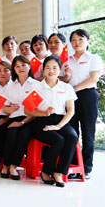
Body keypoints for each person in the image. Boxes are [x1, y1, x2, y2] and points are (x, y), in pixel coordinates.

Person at [25, 56, 78, 187]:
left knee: (72, 137)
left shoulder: (66, 87)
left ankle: (59, 172)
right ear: (43, 70)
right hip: (42, 121)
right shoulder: (37, 87)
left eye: (55, 68)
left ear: (60, 70)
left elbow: (71, 110)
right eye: (47, 68)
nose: (51, 71)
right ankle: (45, 172)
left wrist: (58, 126)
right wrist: (44, 113)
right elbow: (28, 110)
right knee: (58, 140)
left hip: (61, 120)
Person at [66, 28, 102, 180]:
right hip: (71, 98)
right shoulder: (67, 60)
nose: (77, 42)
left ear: (88, 41)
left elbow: (94, 78)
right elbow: (65, 79)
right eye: (74, 40)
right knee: (72, 132)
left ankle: (86, 168)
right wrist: (67, 79)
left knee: (88, 132)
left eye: (80, 39)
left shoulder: (94, 58)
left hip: (87, 95)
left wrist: (74, 88)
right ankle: (75, 165)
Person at [0, 56, 39, 180]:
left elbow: (35, 111)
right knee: (11, 135)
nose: (20, 68)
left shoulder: (36, 85)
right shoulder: (10, 87)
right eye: (17, 66)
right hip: (14, 118)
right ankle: (5, 165)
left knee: (23, 135)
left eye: (23, 65)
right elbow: (4, 108)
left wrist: (22, 122)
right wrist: (10, 109)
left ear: (29, 66)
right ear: (14, 70)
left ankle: (13, 166)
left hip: (30, 120)